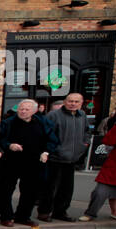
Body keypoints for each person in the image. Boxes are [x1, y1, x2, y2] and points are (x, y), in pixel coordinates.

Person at [0, 99, 57, 227]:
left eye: (26, 109)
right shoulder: (8, 123)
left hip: (34, 161)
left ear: (34, 111)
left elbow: (52, 140)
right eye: (21, 109)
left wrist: (46, 152)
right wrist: (9, 145)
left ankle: (23, 216)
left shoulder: (43, 123)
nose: (23, 111)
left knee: (30, 191)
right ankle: (6, 216)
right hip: (11, 161)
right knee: (6, 190)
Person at [37, 92, 88, 222]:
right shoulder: (54, 115)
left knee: (66, 188)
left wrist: (84, 144)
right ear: (65, 102)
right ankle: (44, 212)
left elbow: (86, 131)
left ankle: (60, 211)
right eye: (70, 101)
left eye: (76, 102)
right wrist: (52, 150)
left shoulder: (82, 116)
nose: (73, 104)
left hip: (72, 158)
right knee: (50, 187)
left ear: (81, 103)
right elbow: (45, 134)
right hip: (55, 157)